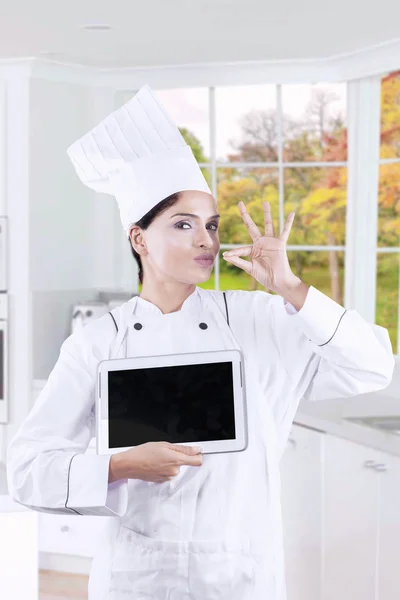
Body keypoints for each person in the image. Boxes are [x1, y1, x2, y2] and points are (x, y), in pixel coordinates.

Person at [7, 85, 395, 600]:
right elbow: (29, 470)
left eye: (211, 226)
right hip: (141, 577)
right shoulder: (99, 342)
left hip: (245, 574)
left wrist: (291, 287)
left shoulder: (260, 320)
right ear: (139, 238)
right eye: (183, 224)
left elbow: (372, 367)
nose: (205, 241)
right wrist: (121, 464)